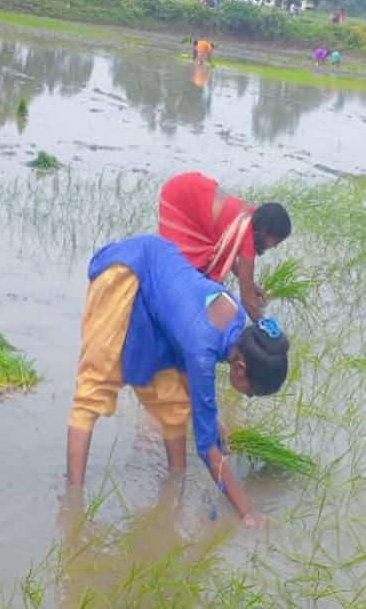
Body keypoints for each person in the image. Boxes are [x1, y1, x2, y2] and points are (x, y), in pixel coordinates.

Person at [66, 235, 291, 527]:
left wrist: (213, 418)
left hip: (157, 281)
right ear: (239, 369)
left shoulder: (233, 313)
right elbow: (207, 447)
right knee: (95, 386)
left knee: (173, 406)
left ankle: (173, 492)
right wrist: (246, 512)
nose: (247, 396)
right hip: (126, 273)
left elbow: (188, 366)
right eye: (250, 393)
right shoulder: (203, 350)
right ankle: (72, 503)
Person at [157, 171, 291, 322]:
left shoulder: (252, 217)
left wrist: (250, 284)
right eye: (275, 242)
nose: (274, 247)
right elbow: (246, 299)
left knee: (201, 277)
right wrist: (266, 327)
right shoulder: (247, 236)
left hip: (194, 188)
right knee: (182, 266)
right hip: (180, 195)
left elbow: (228, 251)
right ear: (266, 232)